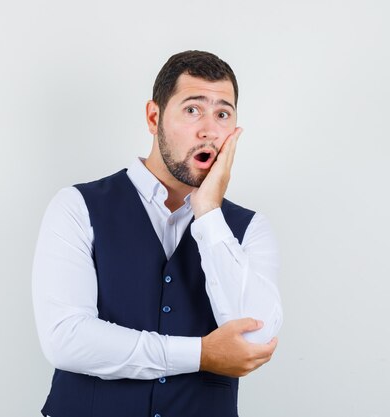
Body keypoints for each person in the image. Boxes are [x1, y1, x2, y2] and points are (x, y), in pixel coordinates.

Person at [32, 50, 283, 417]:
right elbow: (66, 339)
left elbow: (253, 341)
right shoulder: (76, 206)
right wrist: (202, 354)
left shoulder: (249, 229)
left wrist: (209, 214)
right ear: (154, 117)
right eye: (193, 109)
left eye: (222, 114)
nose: (209, 130)